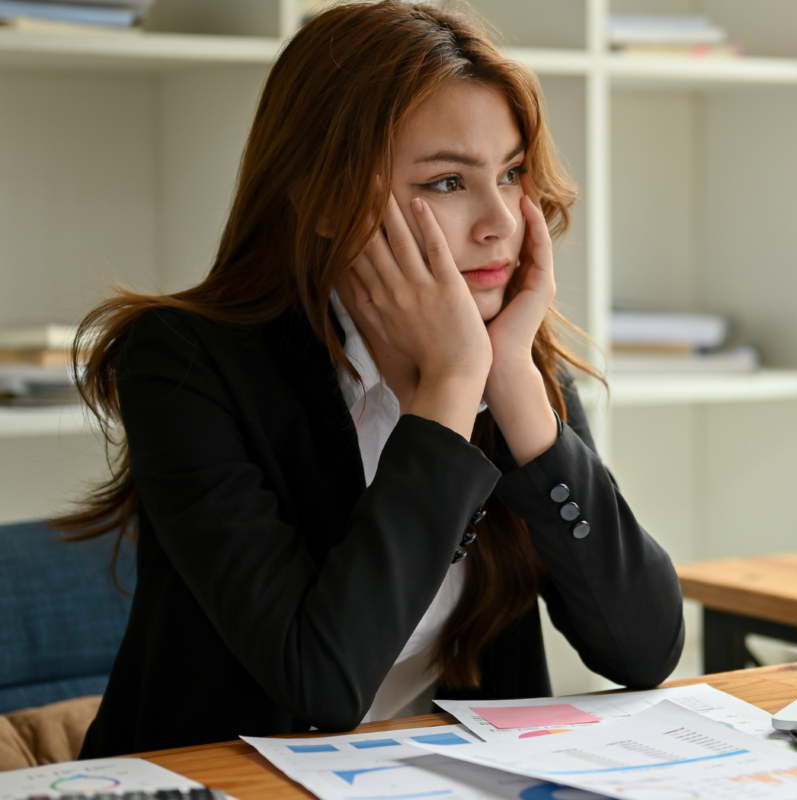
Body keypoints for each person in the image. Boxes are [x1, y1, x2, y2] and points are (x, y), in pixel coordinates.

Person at [58, 1, 684, 757]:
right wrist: (451, 388)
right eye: (448, 182)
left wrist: (513, 386)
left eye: (511, 172)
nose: (501, 222)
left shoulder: (511, 354)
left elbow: (644, 650)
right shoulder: (188, 364)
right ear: (327, 199)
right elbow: (320, 687)